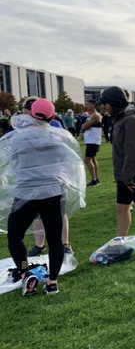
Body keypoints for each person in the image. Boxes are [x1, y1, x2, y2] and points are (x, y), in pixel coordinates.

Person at [3, 99, 85, 295]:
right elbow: (69, 164)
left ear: (31, 113)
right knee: (55, 239)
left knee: (15, 236)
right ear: (52, 115)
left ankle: (25, 272)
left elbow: (13, 163)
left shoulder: (19, 138)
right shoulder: (60, 137)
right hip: (53, 194)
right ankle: (52, 282)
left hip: (26, 193)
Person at [98, 86, 135, 263]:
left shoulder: (131, 119)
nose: (104, 107)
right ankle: (119, 244)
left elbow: (133, 150)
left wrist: (129, 177)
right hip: (125, 175)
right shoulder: (120, 118)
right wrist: (123, 176)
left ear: (114, 102)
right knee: (122, 208)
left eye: (106, 104)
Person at [81, 100, 103, 187]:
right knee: (93, 159)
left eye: (88, 104)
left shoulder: (96, 115)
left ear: (94, 105)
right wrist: (84, 126)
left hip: (93, 140)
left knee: (87, 160)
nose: (87, 106)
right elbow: (84, 126)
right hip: (91, 140)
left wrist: (84, 126)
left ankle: (94, 180)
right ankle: (96, 179)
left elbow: (85, 127)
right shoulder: (91, 115)